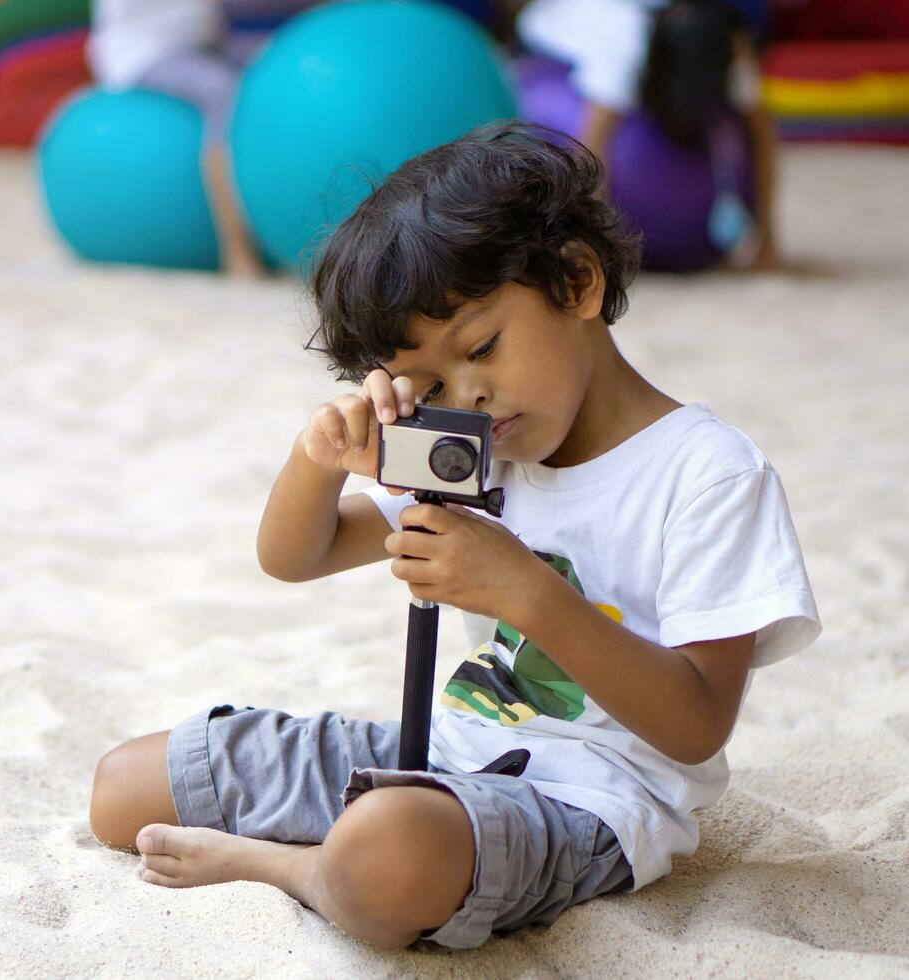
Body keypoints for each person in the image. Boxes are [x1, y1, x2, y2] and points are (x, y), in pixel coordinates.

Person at [87, 124, 820, 949]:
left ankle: (283, 867)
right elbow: (296, 556)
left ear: (577, 281)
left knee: (387, 854)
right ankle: (333, 854)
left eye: (482, 348)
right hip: (441, 752)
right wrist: (320, 456)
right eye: (429, 381)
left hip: (587, 803)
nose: (468, 395)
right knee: (125, 787)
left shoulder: (709, 475)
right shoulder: (479, 452)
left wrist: (527, 592)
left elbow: (695, 728)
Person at [515, 0, 782, 269]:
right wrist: (594, 249)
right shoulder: (626, 44)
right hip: (548, 43)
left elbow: (762, 137)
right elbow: (590, 149)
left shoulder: (728, 42)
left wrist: (767, 240)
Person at [87, 0, 320, 279]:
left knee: (276, 64)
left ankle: (288, 228)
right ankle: (236, 249)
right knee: (221, 91)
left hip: (205, 42)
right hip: (144, 50)